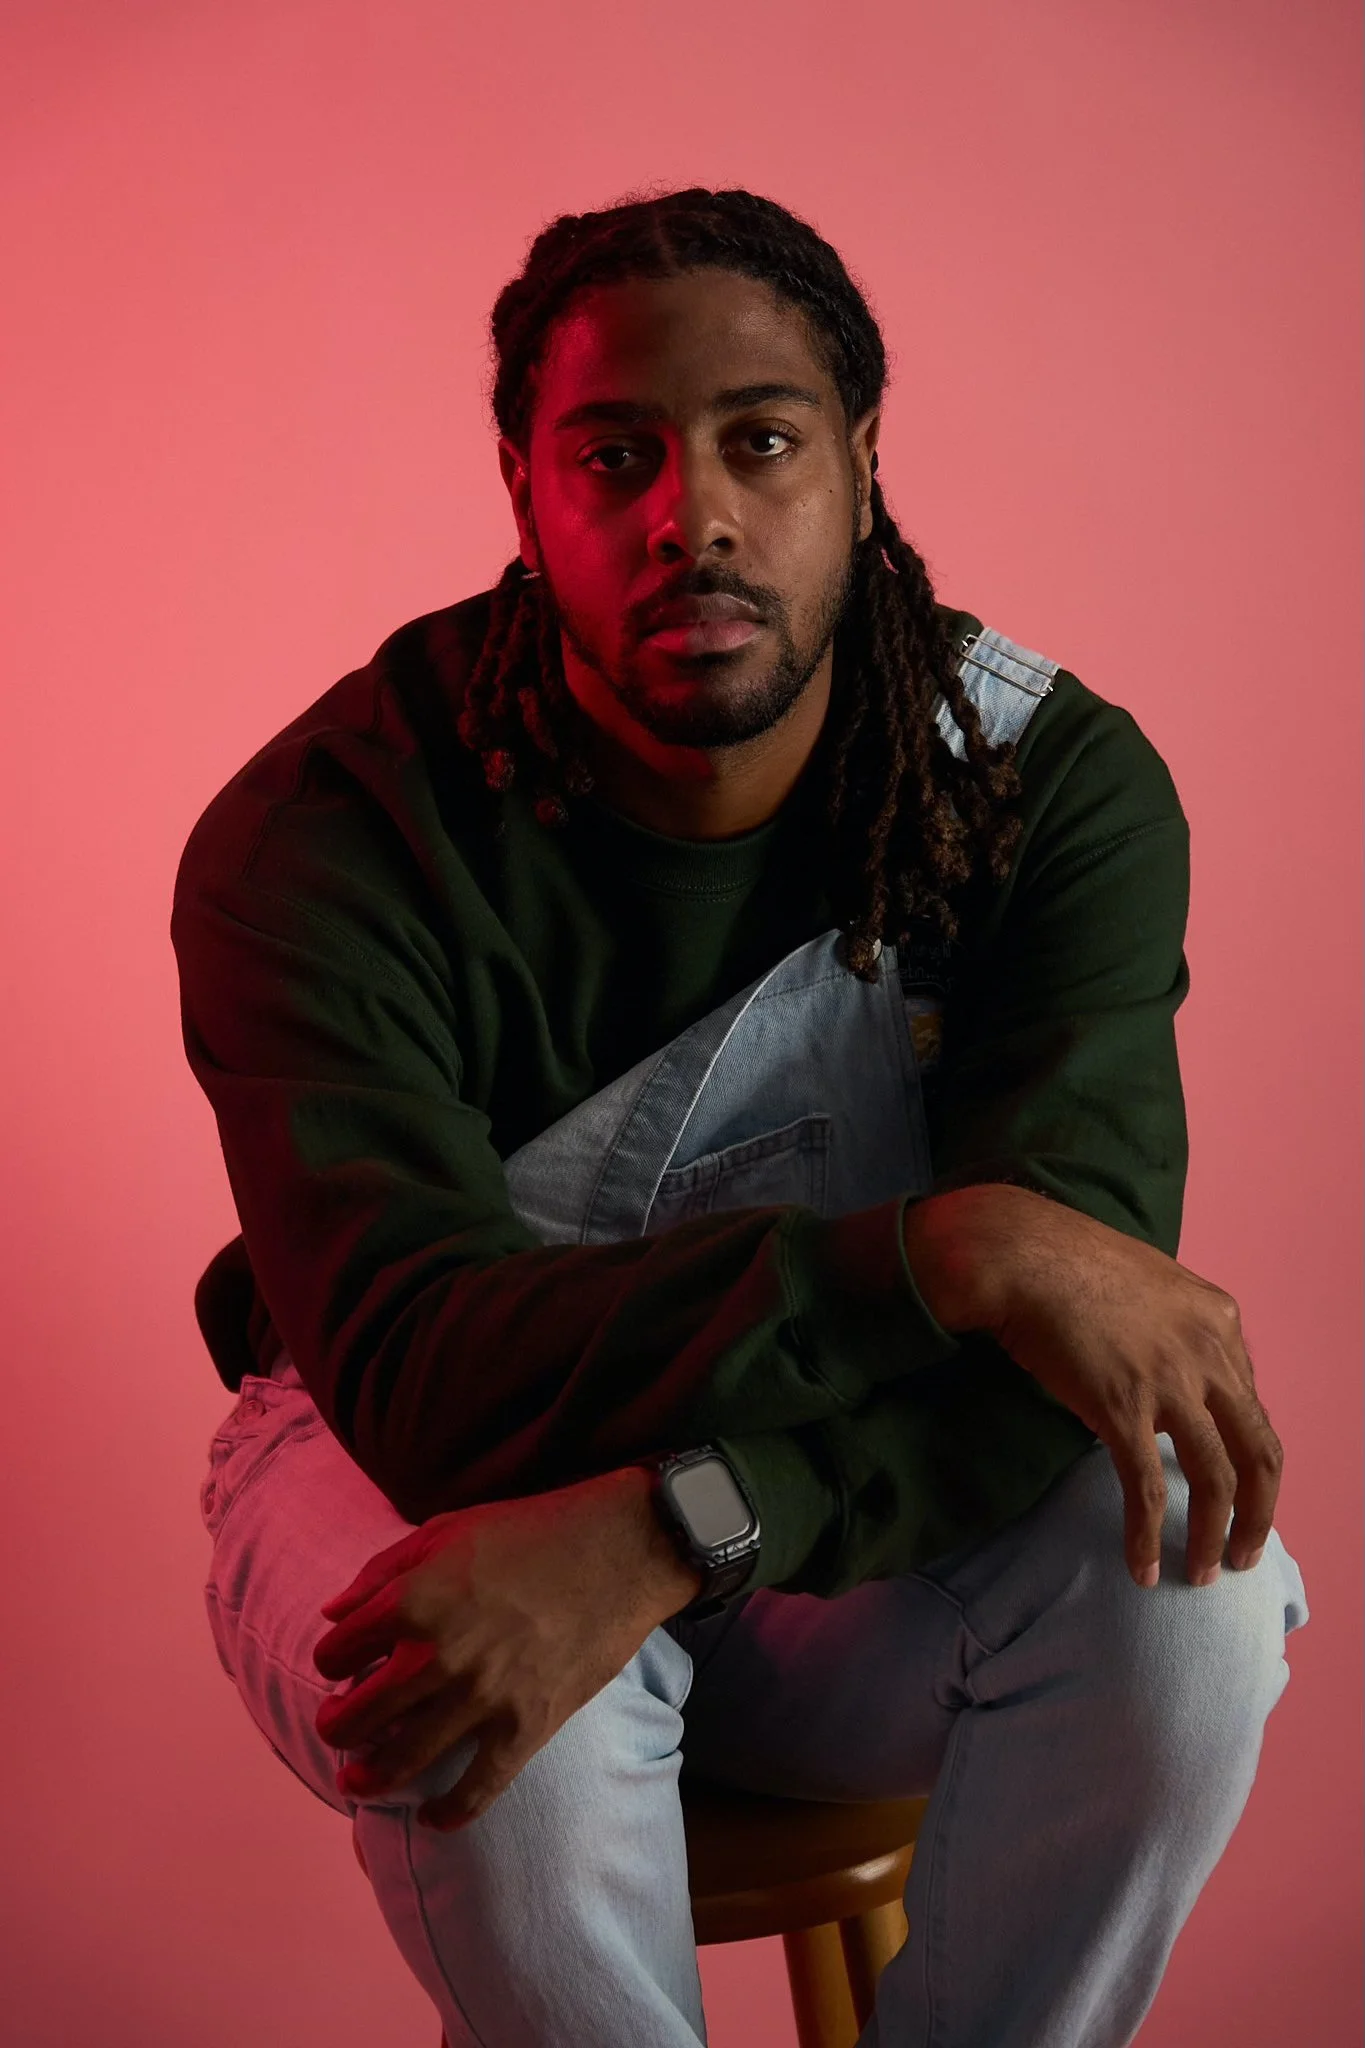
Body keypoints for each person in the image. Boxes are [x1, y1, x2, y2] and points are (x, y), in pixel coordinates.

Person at [172, 187, 1308, 2048]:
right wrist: (954, 1247)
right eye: (611, 454)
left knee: (1188, 1570)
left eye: (758, 442)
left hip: (815, 1520)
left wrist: (670, 1525)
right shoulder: (328, 831)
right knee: (482, 1716)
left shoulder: (1045, 792)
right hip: (414, 1473)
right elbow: (426, 1376)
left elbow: (1068, 1358)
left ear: (861, 468)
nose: (685, 515)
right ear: (526, 491)